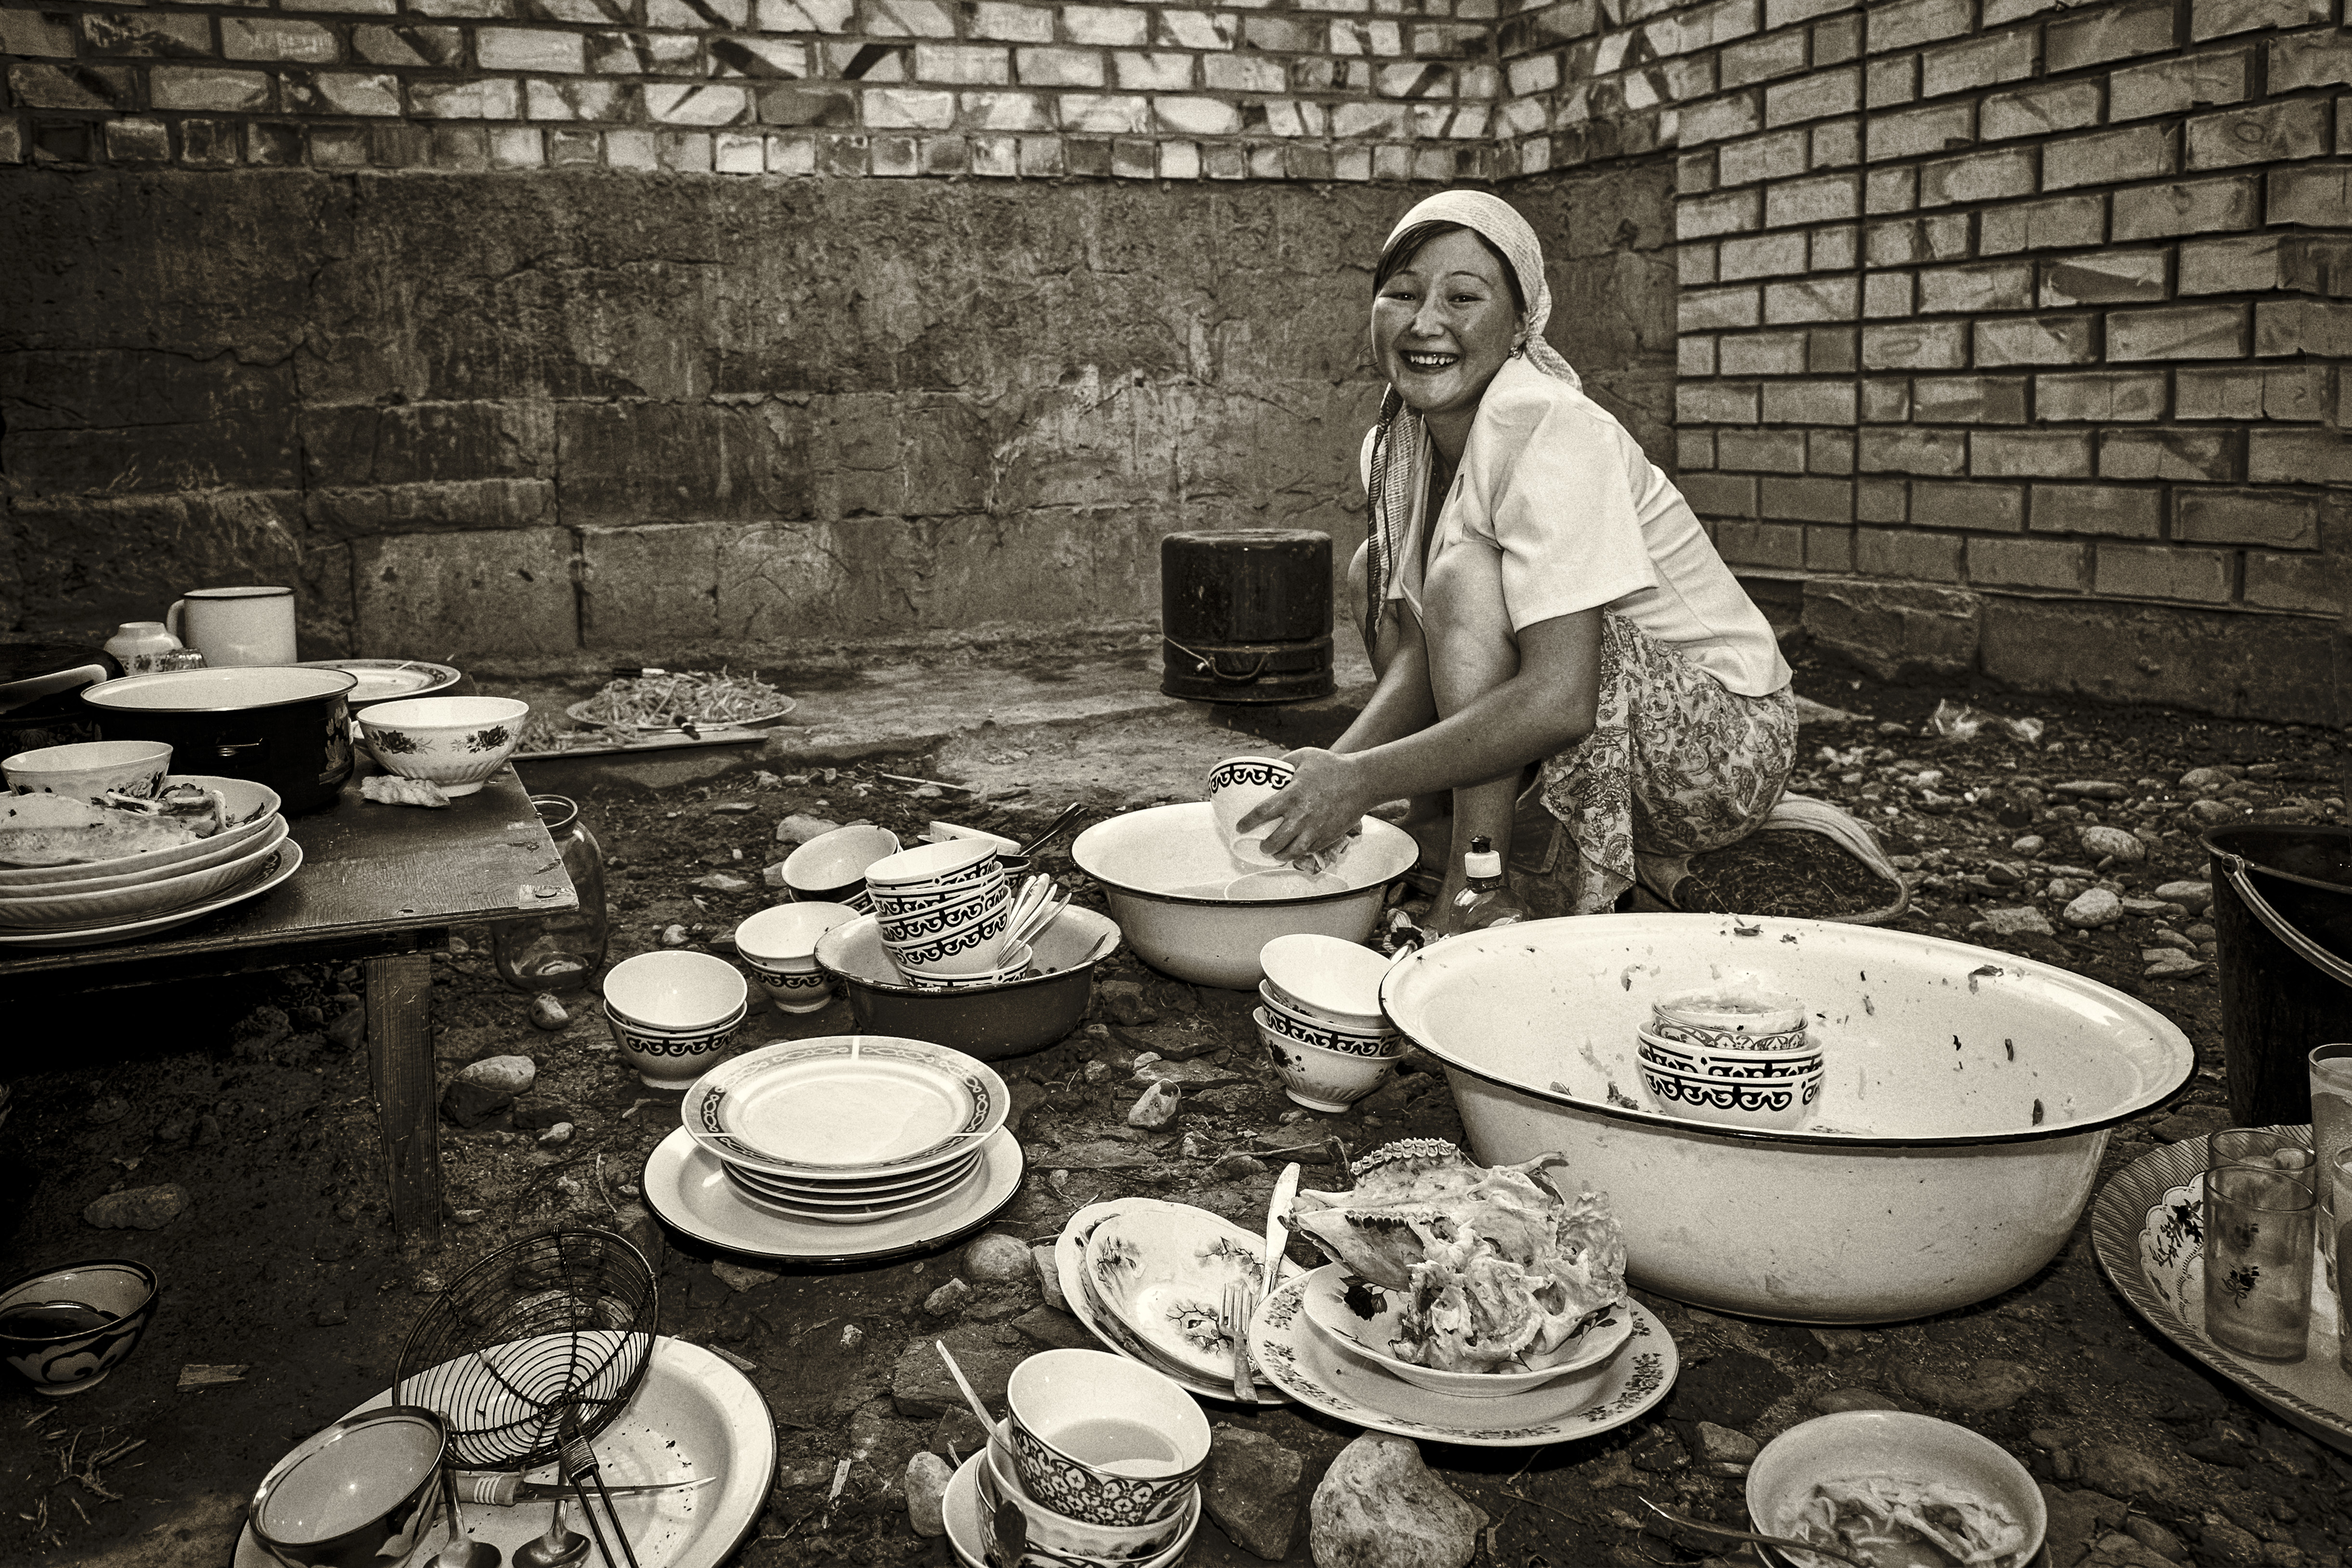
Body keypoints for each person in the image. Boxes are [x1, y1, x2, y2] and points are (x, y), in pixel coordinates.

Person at [1239, 189, 1798, 928]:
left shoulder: (1550, 425)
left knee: (1467, 577)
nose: (1425, 322)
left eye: (1462, 297)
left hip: (1720, 750)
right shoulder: (1395, 444)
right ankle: (1449, 828)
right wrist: (1319, 776)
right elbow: (1423, 653)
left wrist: (1362, 780)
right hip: (1594, 730)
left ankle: (1477, 887)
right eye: (1401, 293)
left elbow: (1561, 698)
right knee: (1372, 571)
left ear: (1518, 325)